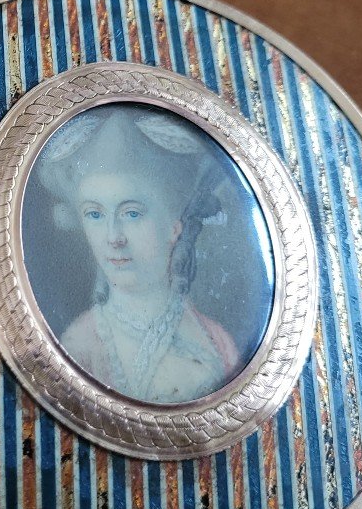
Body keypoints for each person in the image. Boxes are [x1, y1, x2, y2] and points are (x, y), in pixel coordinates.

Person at [36, 104, 238, 404]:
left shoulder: (217, 342)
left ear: (174, 225)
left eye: (132, 213)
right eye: (94, 214)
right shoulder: (79, 344)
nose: (113, 238)